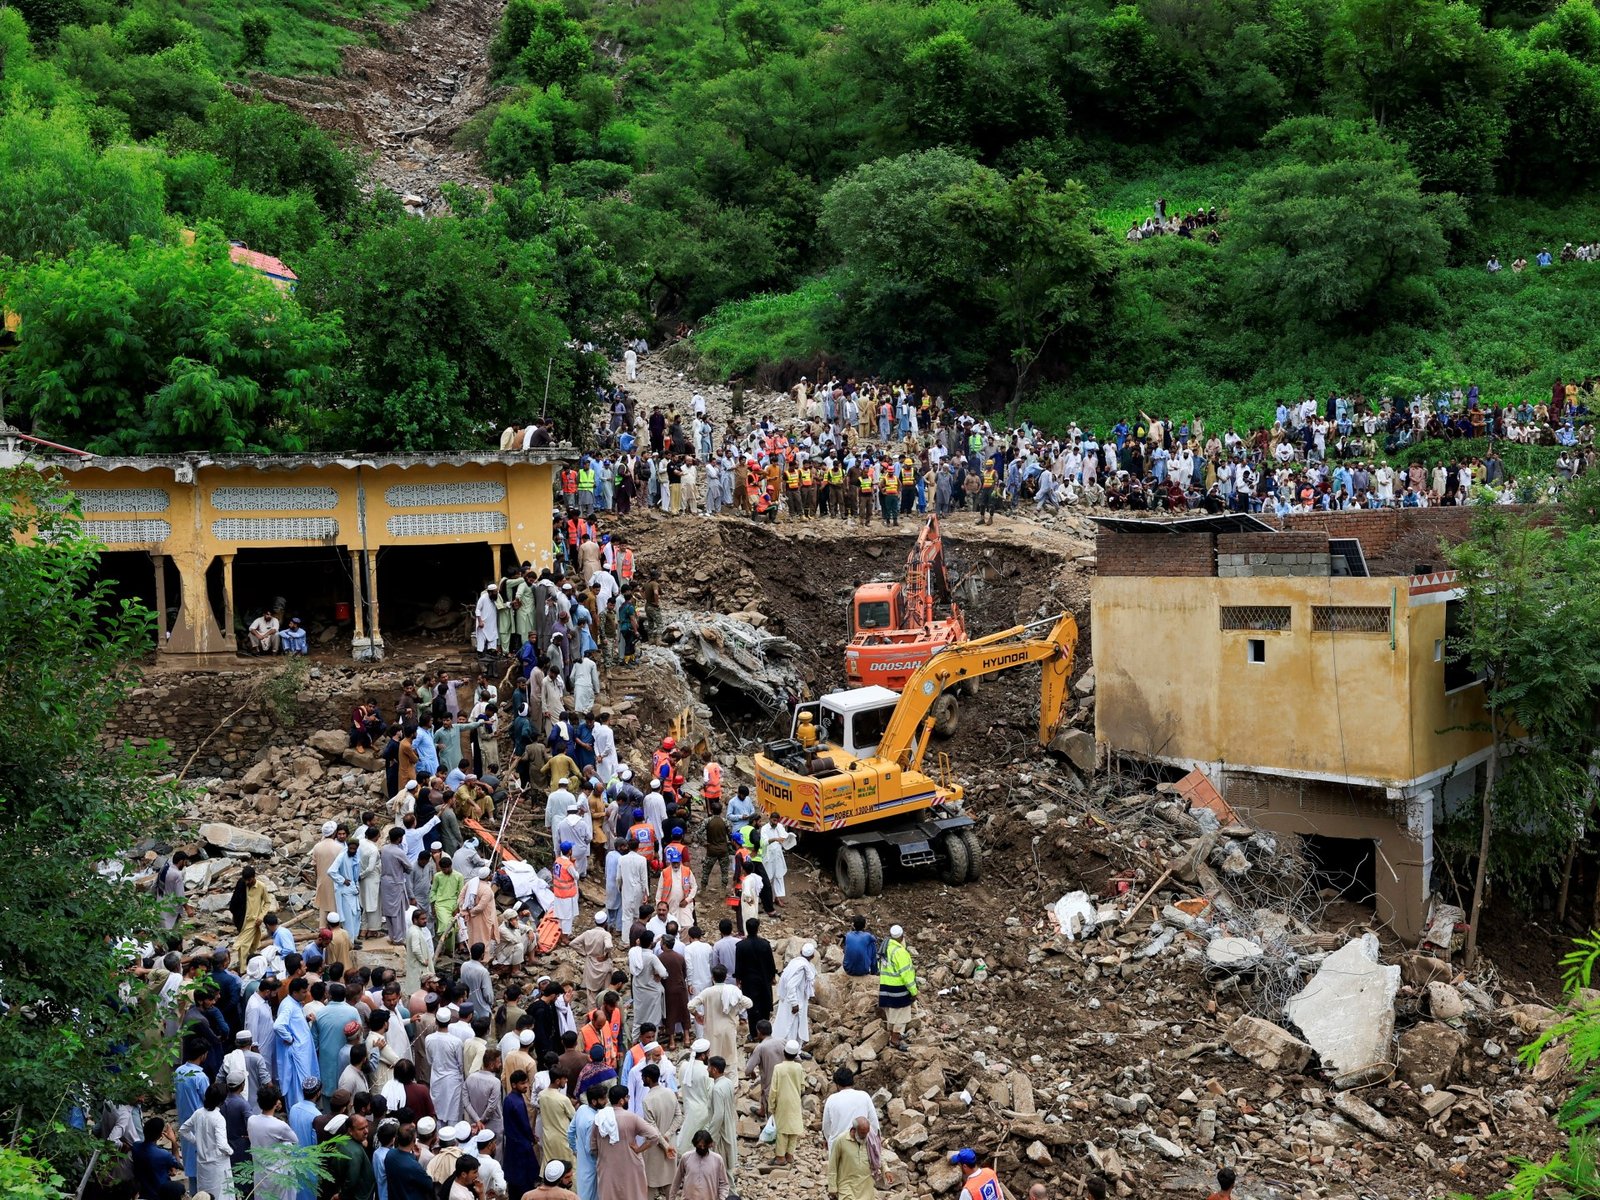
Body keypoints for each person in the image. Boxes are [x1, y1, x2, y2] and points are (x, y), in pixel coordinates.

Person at [590, 1083, 674, 1200]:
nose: (628, 1099)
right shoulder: (632, 1118)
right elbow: (654, 1135)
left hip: (607, 1168)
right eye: (627, 1097)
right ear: (621, 1101)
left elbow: (593, 1146)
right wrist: (639, 1149)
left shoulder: (600, 1118)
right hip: (630, 1168)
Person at [687, 967, 750, 1072]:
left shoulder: (707, 992)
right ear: (725, 977)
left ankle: (714, 1078)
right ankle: (731, 1083)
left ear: (712, 978)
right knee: (731, 1057)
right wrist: (737, 1009)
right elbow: (749, 1003)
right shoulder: (732, 990)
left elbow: (690, 1006)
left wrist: (697, 1015)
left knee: (713, 1056)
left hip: (712, 1028)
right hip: (729, 1027)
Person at [180, 1083, 236, 1200]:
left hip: (202, 1164)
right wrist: (230, 1151)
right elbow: (222, 1145)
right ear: (221, 1100)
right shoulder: (218, 1118)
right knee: (222, 1195)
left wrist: (197, 1142)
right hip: (217, 1165)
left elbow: (183, 1130)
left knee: (204, 1195)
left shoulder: (198, 1113)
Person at [247, 1086, 301, 1200]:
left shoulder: (251, 1120)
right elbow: (295, 1140)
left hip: (259, 1171)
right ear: (276, 1103)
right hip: (276, 1173)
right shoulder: (280, 1126)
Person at [733, 918, 777, 1036]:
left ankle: (753, 1033)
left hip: (748, 981)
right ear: (758, 929)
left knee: (751, 1007)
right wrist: (772, 976)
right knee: (765, 1005)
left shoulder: (741, 946)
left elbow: (739, 964)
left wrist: (738, 979)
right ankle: (765, 1032)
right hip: (764, 978)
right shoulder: (765, 944)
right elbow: (770, 963)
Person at [878, 924, 917, 1051]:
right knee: (901, 1017)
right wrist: (913, 991)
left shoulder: (885, 948)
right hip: (898, 990)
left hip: (885, 986)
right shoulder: (900, 952)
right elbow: (906, 974)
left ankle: (894, 1035)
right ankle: (895, 1040)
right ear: (902, 937)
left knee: (891, 1015)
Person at [768, 1041, 805, 1167]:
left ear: (784, 1053)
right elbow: (802, 1087)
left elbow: (773, 1090)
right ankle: (790, 1155)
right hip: (795, 1101)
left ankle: (780, 1157)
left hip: (782, 1102)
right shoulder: (799, 1067)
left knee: (782, 1130)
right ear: (795, 1055)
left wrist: (771, 1106)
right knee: (793, 1129)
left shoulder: (778, 1068)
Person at [820, 1067, 878, 1148]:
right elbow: (874, 1123)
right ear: (852, 1081)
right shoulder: (864, 1096)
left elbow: (826, 1127)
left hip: (837, 1146)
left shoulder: (831, 1099)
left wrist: (828, 1139)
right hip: (860, 1145)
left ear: (837, 1084)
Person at [772, 942, 816, 1046]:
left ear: (801, 952)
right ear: (813, 956)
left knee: (793, 1025)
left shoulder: (795, 962)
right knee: (791, 1026)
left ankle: (795, 1050)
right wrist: (794, 1003)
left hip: (795, 1000)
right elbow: (791, 986)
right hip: (794, 1002)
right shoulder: (801, 967)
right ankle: (790, 1050)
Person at [673, 1040, 713, 1158]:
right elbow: (710, 1092)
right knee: (687, 1140)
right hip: (703, 1109)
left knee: (689, 1135)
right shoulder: (706, 1071)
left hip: (689, 1107)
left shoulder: (684, 1067)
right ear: (703, 1055)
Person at [826, 1116, 878, 1200]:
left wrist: (886, 1170)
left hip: (866, 1186)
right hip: (847, 1185)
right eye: (862, 1134)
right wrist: (832, 1187)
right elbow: (833, 1165)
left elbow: (878, 1155)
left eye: (866, 1133)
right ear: (854, 1130)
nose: (864, 1136)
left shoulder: (870, 1139)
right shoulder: (840, 1140)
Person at [666, 1129, 728, 1200]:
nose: (702, 1148)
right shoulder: (686, 1157)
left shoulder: (717, 1159)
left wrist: (722, 1198)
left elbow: (724, 1184)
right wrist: (671, 1197)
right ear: (695, 1144)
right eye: (699, 1146)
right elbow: (676, 1182)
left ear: (710, 1144)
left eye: (705, 1146)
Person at [704, 1056, 738, 1179]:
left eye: (708, 1067)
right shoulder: (728, 1082)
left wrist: (710, 1137)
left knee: (723, 1169)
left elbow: (718, 1115)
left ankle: (730, 1194)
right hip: (729, 1126)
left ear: (714, 1070)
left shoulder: (717, 1089)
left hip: (721, 1133)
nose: (707, 1070)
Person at [540, 1065, 577, 1166]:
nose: (566, 1081)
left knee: (550, 1166)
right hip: (563, 1137)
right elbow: (574, 1118)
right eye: (564, 1078)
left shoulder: (541, 1095)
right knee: (568, 1167)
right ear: (557, 1081)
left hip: (548, 1137)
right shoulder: (563, 1099)